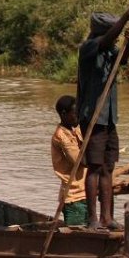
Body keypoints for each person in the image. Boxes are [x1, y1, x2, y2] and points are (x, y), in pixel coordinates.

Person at [76, 0, 129, 230]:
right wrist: (127, 14)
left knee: (108, 167)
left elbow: (121, 60)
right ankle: (92, 219)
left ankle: (107, 217)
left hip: (109, 117)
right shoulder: (89, 48)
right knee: (94, 167)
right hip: (93, 116)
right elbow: (107, 41)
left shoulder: (110, 50)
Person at [51, 95, 88, 226]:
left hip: (84, 193)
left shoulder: (74, 129)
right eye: (74, 113)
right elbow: (80, 161)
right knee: (77, 239)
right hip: (74, 196)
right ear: (64, 114)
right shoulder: (61, 136)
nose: (77, 116)